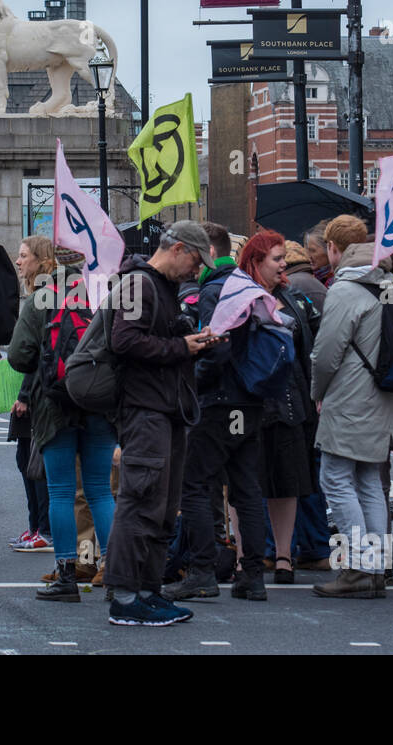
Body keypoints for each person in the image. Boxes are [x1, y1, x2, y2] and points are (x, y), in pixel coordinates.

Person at [106, 221, 218, 626]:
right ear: (177, 249)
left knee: (162, 507)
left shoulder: (162, 287)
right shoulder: (139, 284)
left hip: (164, 410)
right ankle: (124, 597)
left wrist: (194, 346)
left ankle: (148, 591)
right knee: (140, 501)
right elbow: (124, 340)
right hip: (144, 410)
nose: (196, 270)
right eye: (194, 260)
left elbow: (153, 344)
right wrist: (179, 347)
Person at [163, 223, 268, 603]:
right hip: (251, 401)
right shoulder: (248, 287)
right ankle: (252, 575)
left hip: (219, 402)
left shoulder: (212, 290)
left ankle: (202, 571)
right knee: (246, 489)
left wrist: (197, 383)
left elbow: (216, 347)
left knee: (193, 484)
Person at [8, 237, 117, 604]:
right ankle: (116, 572)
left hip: (55, 405)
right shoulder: (100, 292)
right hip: (98, 400)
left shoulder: (42, 296)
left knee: (61, 491)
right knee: (101, 490)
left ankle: (67, 575)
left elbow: (19, 356)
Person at [309, 216, 393, 598]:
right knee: (367, 482)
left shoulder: (345, 290)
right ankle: (376, 567)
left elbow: (326, 354)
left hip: (349, 397)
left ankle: (359, 567)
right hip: (381, 396)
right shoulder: (386, 283)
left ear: (334, 248)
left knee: (335, 478)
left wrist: (318, 391)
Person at [243, 231, 319, 586]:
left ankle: (285, 557)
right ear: (256, 262)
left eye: (283, 257)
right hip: (248, 402)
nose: (283, 263)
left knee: (286, 481)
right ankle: (248, 557)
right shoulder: (238, 296)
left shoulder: (294, 298)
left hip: (290, 400)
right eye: (276, 258)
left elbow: (312, 349)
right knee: (245, 480)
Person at [10, 237, 55, 552]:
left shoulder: (43, 297)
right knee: (26, 460)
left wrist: (25, 395)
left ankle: (44, 530)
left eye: (24, 255)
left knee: (35, 465)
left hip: (39, 394)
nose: (18, 261)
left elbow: (34, 353)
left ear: (41, 261)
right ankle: (35, 526)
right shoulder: (44, 294)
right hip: (37, 391)